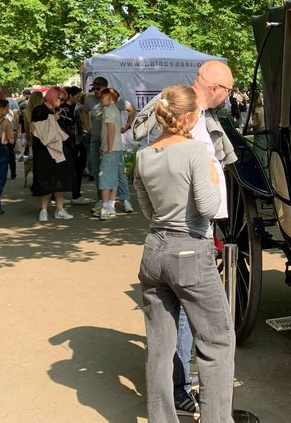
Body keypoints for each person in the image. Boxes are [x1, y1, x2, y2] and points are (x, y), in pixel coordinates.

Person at [133, 60, 238, 415]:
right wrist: (210, 169)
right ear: (191, 118)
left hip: (153, 248)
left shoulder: (144, 155)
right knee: (218, 342)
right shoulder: (195, 149)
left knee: (159, 348)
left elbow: (144, 206)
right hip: (189, 246)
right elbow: (209, 207)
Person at [83, 76, 136, 215]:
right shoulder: (89, 100)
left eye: (98, 88)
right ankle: (103, 200)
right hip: (96, 139)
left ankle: (124, 200)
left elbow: (132, 110)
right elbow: (84, 111)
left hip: (110, 144)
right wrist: (86, 126)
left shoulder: (114, 101)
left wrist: (126, 126)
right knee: (97, 170)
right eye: (93, 88)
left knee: (118, 172)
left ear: (105, 89)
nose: (95, 91)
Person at [30, 86, 75, 222]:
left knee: (60, 180)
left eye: (62, 99)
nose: (61, 101)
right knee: (45, 181)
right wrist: (52, 119)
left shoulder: (58, 110)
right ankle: (43, 210)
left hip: (60, 151)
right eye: (59, 98)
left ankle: (59, 209)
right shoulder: (39, 110)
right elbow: (35, 129)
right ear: (51, 96)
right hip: (44, 152)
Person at [96, 87, 124, 220]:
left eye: (103, 97)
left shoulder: (108, 110)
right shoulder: (116, 110)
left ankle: (105, 207)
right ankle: (111, 206)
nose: (100, 99)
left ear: (110, 98)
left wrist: (109, 148)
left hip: (110, 149)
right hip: (117, 148)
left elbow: (111, 130)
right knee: (113, 177)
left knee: (105, 178)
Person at [62, 86, 91, 205]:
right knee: (72, 169)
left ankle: (74, 193)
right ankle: (74, 194)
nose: (79, 98)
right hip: (70, 142)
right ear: (70, 95)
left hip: (76, 141)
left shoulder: (76, 107)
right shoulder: (65, 109)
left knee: (77, 168)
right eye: (77, 96)